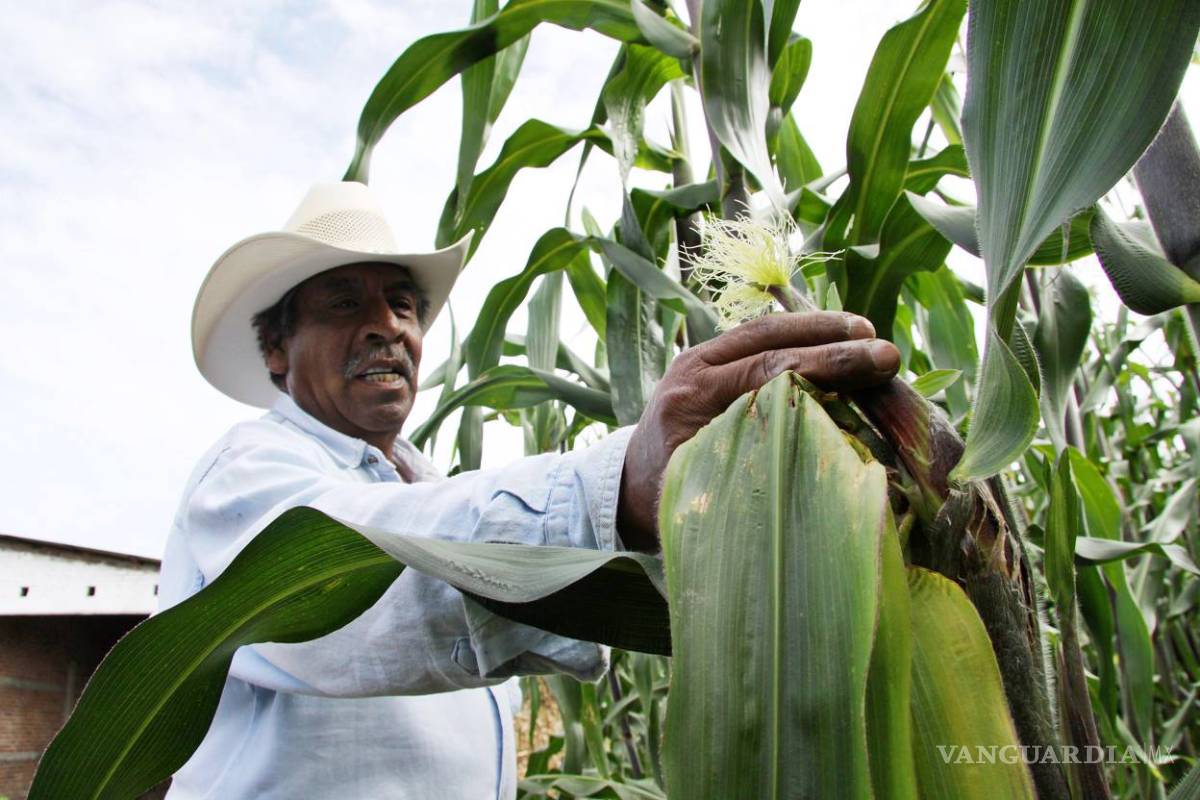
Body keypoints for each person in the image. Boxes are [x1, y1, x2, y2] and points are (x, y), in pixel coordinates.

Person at [157, 181, 900, 799]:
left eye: (402, 303)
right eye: (344, 303)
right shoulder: (247, 474)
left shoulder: (427, 484)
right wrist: (619, 488)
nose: (386, 326)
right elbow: (349, 573)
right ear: (277, 351)